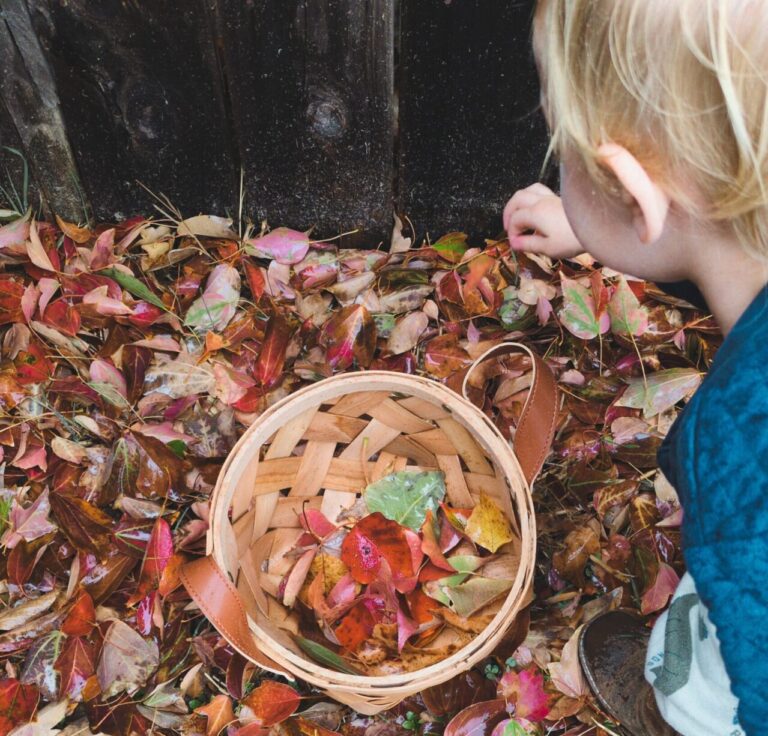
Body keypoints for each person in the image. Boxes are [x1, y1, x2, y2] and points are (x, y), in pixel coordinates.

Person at [503, 2, 768, 735]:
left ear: (633, 191)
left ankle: (675, 712)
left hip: (753, 677)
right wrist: (594, 224)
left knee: (723, 683)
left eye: (571, 158)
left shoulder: (743, 453)